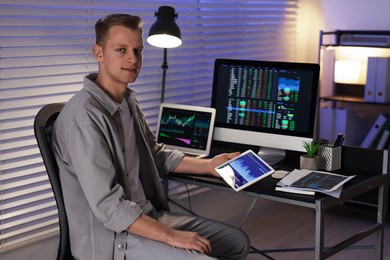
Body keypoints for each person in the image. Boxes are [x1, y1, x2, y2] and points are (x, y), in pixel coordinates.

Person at [52, 13, 250, 260]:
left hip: (146, 217)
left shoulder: (126, 101)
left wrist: (209, 165)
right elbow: (110, 207)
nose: (132, 59)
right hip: (115, 239)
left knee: (236, 243)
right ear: (98, 53)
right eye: (121, 50)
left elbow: (154, 154)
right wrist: (173, 236)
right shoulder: (84, 118)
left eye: (138, 50)